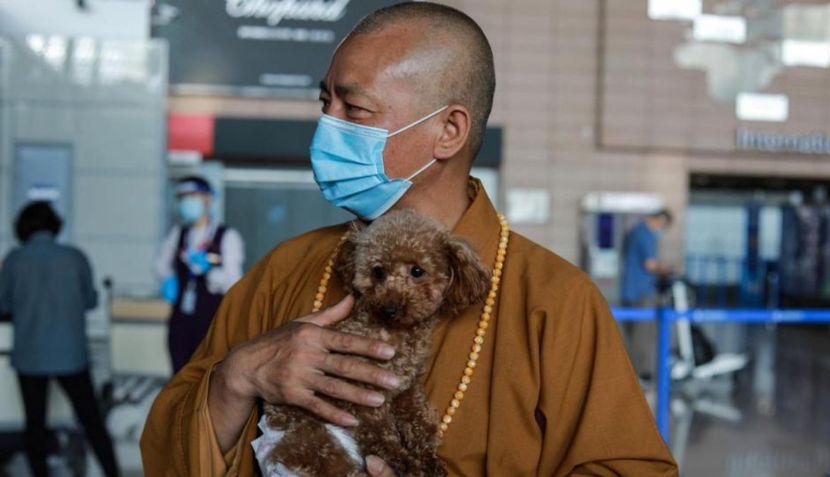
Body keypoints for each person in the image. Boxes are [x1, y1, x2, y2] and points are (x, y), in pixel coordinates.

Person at [141, 3, 678, 476]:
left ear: (449, 131)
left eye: (354, 110)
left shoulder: (553, 299)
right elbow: (167, 446)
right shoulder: (288, 268)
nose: (327, 125)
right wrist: (237, 379)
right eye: (324, 103)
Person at [0, 202, 120, 477]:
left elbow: (3, 304)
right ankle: (112, 472)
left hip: (30, 355)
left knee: (35, 422)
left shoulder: (15, 259)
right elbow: (90, 300)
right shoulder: (75, 257)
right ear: (55, 225)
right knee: (91, 420)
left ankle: (40, 472)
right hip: (71, 354)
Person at [154, 176, 245, 373]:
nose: (187, 202)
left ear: (208, 199)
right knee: (179, 374)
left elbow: (234, 282)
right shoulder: (179, 233)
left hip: (211, 320)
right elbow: (161, 263)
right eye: (182, 197)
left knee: (207, 377)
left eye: (192, 196)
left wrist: (209, 272)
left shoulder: (226, 236)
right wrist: (168, 279)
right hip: (181, 319)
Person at [620, 209, 674, 378]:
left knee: (633, 332)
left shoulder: (634, 232)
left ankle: (633, 370)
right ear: (659, 220)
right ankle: (641, 373)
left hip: (630, 289)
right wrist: (666, 269)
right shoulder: (645, 234)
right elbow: (650, 264)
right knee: (641, 334)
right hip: (641, 291)